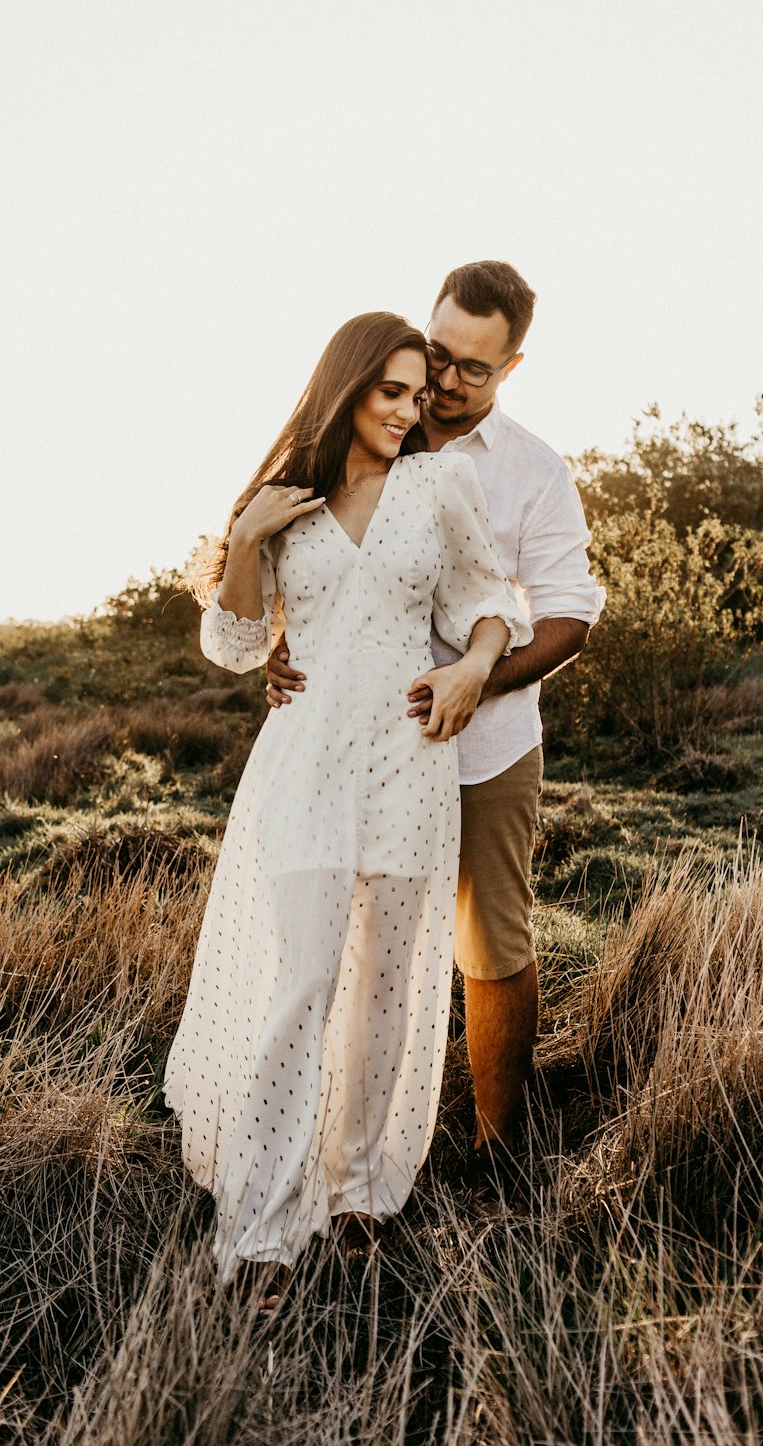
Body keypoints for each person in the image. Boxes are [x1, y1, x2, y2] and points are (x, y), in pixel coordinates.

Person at [164, 311, 531, 1311]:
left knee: (386, 990)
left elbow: (492, 601)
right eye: (392, 391)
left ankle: (362, 1195)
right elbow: (236, 650)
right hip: (309, 763)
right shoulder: (287, 496)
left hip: (411, 762)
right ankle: (264, 1235)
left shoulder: (435, 486)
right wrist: (245, 538)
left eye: (422, 395)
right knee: (306, 979)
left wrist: (471, 666)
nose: (412, 410)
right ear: (348, 386)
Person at [267, 264, 605, 1175]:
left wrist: (476, 682)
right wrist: (279, 645)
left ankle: (499, 1150)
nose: (448, 386)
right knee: (345, 947)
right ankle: (331, 1152)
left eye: (475, 371)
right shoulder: (366, 427)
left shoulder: (534, 472)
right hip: (350, 749)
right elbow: (294, 561)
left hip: (485, 751)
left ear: (514, 366)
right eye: (440, 356)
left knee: (489, 940)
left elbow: (571, 610)